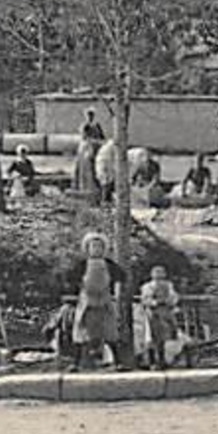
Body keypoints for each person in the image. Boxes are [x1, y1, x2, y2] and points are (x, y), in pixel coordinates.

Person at [68, 232, 125, 371]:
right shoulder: (82, 265)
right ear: (88, 248)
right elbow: (72, 280)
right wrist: (78, 293)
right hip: (87, 301)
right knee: (82, 332)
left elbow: (119, 279)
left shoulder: (109, 264)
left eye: (99, 246)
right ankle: (76, 363)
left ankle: (118, 362)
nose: (96, 249)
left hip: (105, 301)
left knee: (110, 332)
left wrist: (116, 295)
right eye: (93, 246)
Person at [137, 265, 181, 370]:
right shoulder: (147, 287)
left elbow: (174, 297)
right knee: (151, 338)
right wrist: (155, 302)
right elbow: (145, 300)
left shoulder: (168, 286)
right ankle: (151, 361)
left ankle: (162, 360)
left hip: (165, 313)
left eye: (161, 273)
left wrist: (170, 301)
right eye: (156, 273)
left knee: (163, 338)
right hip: (152, 314)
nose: (158, 275)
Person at [75, 110, 106, 198]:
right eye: (88, 115)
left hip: (95, 146)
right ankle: (84, 187)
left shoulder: (96, 125)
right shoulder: (84, 126)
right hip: (86, 147)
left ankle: (95, 187)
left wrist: (99, 141)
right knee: (84, 166)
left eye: (91, 115)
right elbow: (83, 137)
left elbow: (102, 136)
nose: (90, 117)